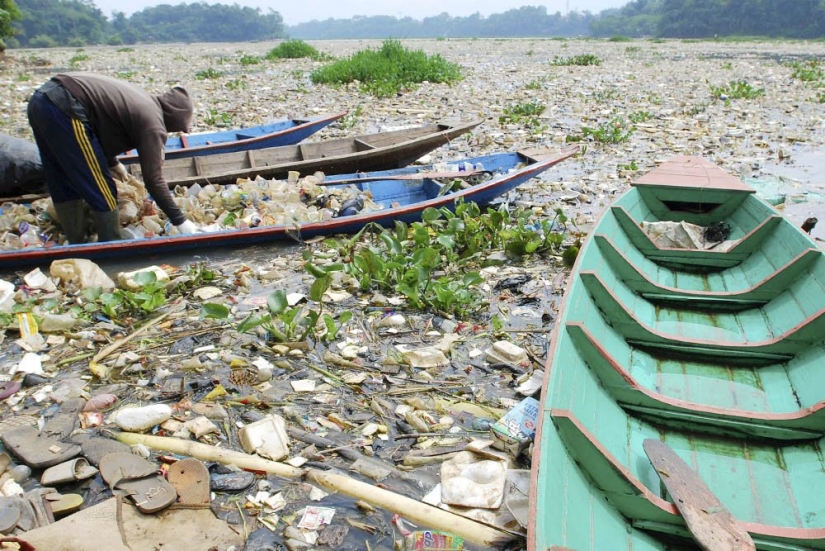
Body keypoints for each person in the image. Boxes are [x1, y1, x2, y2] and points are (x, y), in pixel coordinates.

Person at [26, 72, 200, 243]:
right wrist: (180, 221)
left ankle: (77, 243)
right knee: (103, 188)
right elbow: (154, 180)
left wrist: (113, 162)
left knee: (59, 175)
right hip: (65, 105)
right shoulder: (153, 123)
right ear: (173, 118)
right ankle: (109, 243)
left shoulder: (143, 99)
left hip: (41, 101)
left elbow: (100, 126)